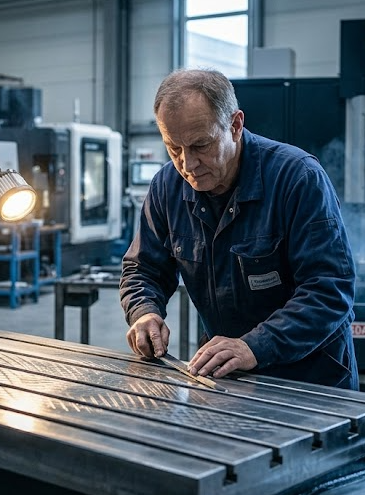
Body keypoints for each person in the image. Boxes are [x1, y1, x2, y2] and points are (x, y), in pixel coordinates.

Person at [119, 68, 359, 390]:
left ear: (235, 125)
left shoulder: (298, 179)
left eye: (200, 145)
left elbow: (329, 289)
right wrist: (143, 311)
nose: (187, 165)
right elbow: (143, 268)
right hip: (228, 376)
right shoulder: (167, 186)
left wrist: (254, 346)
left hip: (313, 380)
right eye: (173, 148)